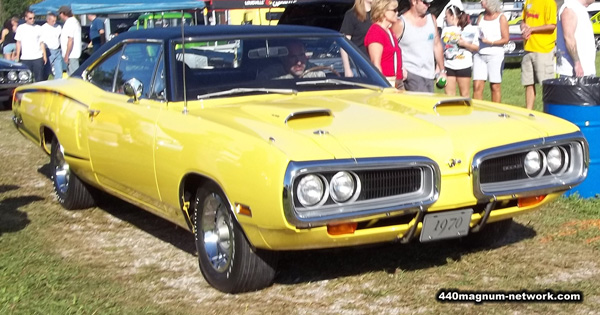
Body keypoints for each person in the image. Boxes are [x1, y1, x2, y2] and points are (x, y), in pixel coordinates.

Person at [394, 0, 446, 92]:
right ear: (414, 2)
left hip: (429, 76)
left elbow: (437, 45)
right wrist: (400, 68)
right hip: (410, 76)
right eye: (425, 2)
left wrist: (442, 70)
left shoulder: (432, 19)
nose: (428, 5)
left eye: (429, 3)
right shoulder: (401, 23)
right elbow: (390, 47)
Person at [521, 0, 557, 110]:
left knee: (546, 85)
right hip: (528, 49)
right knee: (528, 83)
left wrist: (532, 29)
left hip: (543, 50)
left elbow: (552, 25)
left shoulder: (549, 2)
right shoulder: (529, 1)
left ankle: (549, 111)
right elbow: (523, 20)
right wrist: (524, 27)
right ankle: (528, 112)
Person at [472, 0, 509, 102]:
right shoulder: (481, 17)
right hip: (479, 55)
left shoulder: (501, 18)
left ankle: (496, 112)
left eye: (483, 0)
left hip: (495, 55)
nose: (480, 1)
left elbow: (506, 39)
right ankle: (477, 110)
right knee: (477, 86)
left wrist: (490, 42)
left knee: (495, 86)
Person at [441, 5, 479, 97]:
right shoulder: (445, 29)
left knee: (464, 94)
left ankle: (465, 111)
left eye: (446, 16)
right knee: (449, 95)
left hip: (463, 65)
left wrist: (465, 44)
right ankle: (451, 111)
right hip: (448, 66)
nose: (445, 18)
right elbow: (441, 48)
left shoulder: (469, 28)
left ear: (452, 16)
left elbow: (476, 47)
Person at [364, 0, 403, 89]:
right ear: (383, 11)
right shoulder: (376, 32)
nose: (397, 13)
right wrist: (384, 85)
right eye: (394, 10)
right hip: (387, 82)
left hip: (398, 81)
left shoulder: (389, 31)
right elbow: (376, 64)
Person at [556, 0, 596, 77]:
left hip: (585, 70)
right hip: (573, 73)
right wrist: (577, 63)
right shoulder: (570, 8)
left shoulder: (578, 8)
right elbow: (568, 37)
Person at [257, 41, 326, 80]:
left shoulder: (316, 72)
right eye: (292, 57)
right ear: (284, 59)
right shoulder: (269, 76)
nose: (299, 62)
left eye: (301, 55)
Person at [340, 0, 373, 77]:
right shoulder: (351, 15)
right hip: (358, 67)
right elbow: (344, 44)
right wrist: (347, 69)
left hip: (375, 67)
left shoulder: (377, 15)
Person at [14, 11, 47, 82]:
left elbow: (41, 43)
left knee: (39, 78)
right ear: (26, 18)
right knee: (25, 78)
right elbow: (18, 43)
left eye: (34, 18)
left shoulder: (38, 28)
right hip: (26, 57)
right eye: (30, 18)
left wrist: (44, 55)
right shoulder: (21, 28)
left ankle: (38, 92)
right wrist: (17, 55)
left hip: (37, 57)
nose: (32, 20)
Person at [58, 5, 82, 75]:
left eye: (60, 14)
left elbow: (70, 40)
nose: (59, 16)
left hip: (71, 55)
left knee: (74, 76)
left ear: (63, 13)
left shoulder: (70, 23)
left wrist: (66, 55)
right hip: (72, 54)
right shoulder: (73, 21)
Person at [41, 12, 63, 80]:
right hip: (48, 50)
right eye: (52, 21)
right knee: (47, 70)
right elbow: (41, 41)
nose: (54, 22)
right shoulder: (43, 28)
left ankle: (58, 83)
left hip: (57, 50)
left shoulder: (58, 27)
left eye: (55, 20)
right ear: (48, 20)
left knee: (59, 70)